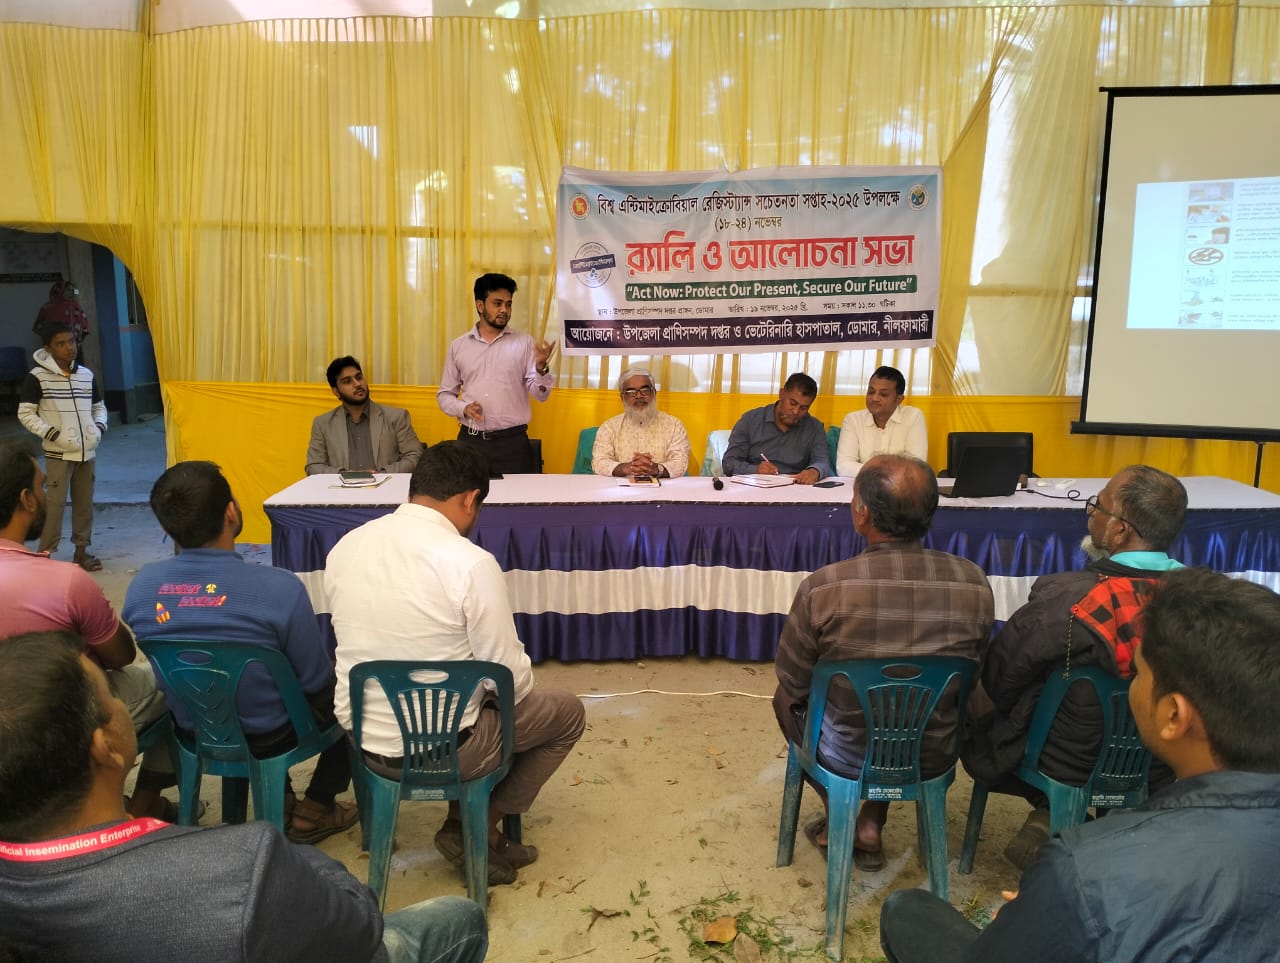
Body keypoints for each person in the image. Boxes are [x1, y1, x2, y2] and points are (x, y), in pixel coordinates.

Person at [0, 630, 489, 963]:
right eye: (111, 695)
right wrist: (296, 865)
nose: (121, 702)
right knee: (460, 918)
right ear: (104, 746)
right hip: (325, 907)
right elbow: (358, 927)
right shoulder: (243, 865)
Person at [880, 567, 1280, 963]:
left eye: (1138, 672)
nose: (1131, 683)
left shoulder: (1086, 871)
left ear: (1173, 716)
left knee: (907, 910)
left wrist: (1043, 920)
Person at [326, 442, 585, 885]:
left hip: (366, 744)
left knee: (466, 697)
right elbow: (509, 680)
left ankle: (462, 819)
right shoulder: (470, 562)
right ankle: (475, 824)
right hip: (448, 751)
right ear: (470, 499)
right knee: (566, 714)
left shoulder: (346, 546)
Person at [961, 465, 1187, 869]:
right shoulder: (1205, 601)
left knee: (983, 699)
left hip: (1067, 760)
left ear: (1120, 531)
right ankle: (1088, 817)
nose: (1091, 513)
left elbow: (1001, 676)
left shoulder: (1068, 597)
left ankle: (1054, 808)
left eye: (1098, 505)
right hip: (1160, 760)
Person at [773, 454, 993, 868]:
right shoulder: (973, 582)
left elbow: (794, 680)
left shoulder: (824, 587)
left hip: (845, 753)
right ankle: (872, 820)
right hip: (933, 751)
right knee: (905, 706)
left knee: (784, 699)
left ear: (862, 513)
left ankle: (841, 814)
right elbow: (975, 677)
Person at [122, 461, 359, 845]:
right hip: (275, 735)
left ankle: (282, 798)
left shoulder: (141, 588)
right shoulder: (279, 588)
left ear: (167, 526)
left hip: (195, 730)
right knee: (355, 693)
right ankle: (316, 806)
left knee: (246, 685)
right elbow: (315, 682)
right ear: (231, 512)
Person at [0, 439, 174, 821]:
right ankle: (143, 804)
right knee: (174, 676)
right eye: (43, 486)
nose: (48, 496)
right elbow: (121, 655)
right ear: (26, 500)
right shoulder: (64, 581)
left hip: (13, 723)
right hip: (63, 717)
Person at [437, 273, 554, 475]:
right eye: (497, 303)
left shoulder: (524, 343)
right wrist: (464, 408)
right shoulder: (459, 346)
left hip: (513, 445)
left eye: (508, 304)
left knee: (517, 495)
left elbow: (541, 395)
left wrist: (541, 368)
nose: (504, 310)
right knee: (467, 494)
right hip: (471, 442)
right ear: (480, 305)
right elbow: (444, 396)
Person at [17, 322, 108, 570]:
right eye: (60, 343)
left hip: (87, 453)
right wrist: (53, 434)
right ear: (48, 348)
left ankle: (81, 552)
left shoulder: (86, 376)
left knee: (84, 504)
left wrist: (98, 429)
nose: (69, 347)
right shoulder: (38, 377)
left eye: (71, 341)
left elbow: (98, 407)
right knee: (53, 506)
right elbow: (25, 413)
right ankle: (45, 555)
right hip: (58, 454)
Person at [305, 355, 423, 475]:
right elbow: (313, 466)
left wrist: (380, 474)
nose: (357, 384)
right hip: (341, 486)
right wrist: (347, 475)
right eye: (347, 381)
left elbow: (415, 457)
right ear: (336, 392)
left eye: (359, 377)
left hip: (387, 485)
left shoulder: (396, 417)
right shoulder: (323, 424)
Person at [721, 372, 831, 483]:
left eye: (803, 408)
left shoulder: (814, 427)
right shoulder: (750, 420)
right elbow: (729, 462)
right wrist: (755, 470)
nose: (795, 411)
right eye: (792, 403)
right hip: (754, 484)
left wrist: (815, 471)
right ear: (781, 394)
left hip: (796, 486)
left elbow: (822, 461)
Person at [591, 366, 691, 479]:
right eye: (631, 392)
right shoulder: (609, 427)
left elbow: (680, 462)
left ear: (654, 393)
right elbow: (599, 462)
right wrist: (626, 468)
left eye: (644, 390)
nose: (639, 396)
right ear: (622, 397)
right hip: (619, 488)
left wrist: (656, 468)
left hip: (663, 487)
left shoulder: (674, 426)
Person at [833, 365, 927, 476]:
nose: (874, 398)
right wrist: (887, 473)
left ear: (899, 399)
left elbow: (916, 466)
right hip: (865, 484)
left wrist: (873, 471)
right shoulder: (853, 420)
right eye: (871, 392)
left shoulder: (913, 417)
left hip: (900, 486)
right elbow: (843, 466)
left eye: (883, 394)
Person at [32, 278, 90, 345]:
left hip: (74, 345)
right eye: (68, 290)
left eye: (73, 290)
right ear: (59, 290)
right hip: (55, 345)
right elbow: (40, 327)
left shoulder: (75, 306)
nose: (71, 293)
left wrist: (76, 288)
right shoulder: (47, 307)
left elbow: (84, 325)